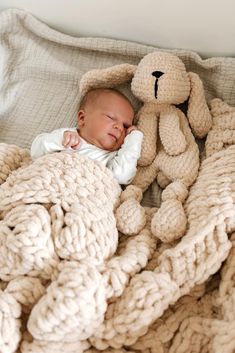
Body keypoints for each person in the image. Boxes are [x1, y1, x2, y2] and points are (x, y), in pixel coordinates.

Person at [31, 88, 143, 185]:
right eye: (111, 117)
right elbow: (36, 151)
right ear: (82, 118)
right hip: (47, 182)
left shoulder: (113, 159)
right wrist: (61, 140)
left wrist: (134, 139)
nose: (119, 127)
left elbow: (122, 176)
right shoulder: (67, 137)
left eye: (126, 126)